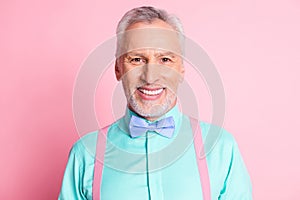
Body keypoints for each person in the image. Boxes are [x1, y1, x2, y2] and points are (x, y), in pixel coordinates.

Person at [59, 6, 252, 200]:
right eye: (136, 59)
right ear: (118, 69)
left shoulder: (221, 148)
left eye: (165, 59)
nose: (150, 77)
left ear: (182, 69)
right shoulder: (85, 154)